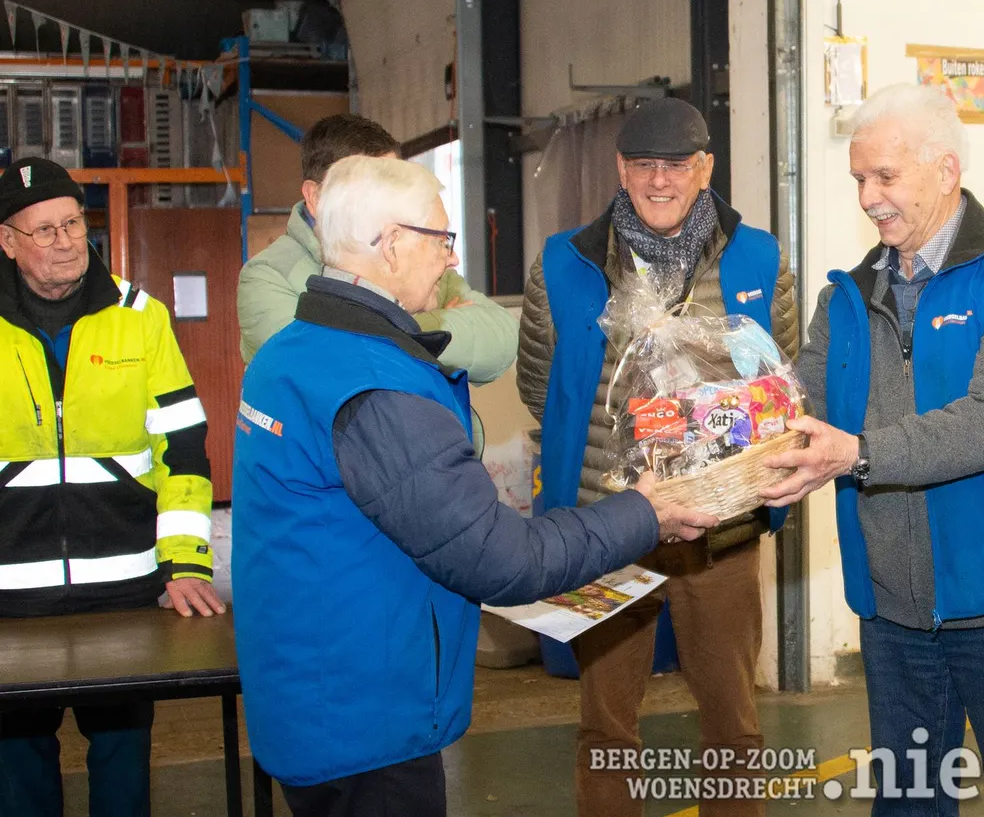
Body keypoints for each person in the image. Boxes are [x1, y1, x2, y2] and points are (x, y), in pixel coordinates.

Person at [232, 155, 718, 817]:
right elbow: (501, 558)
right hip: (366, 723)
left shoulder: (295, 348)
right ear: (391, 243)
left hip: (314, 693)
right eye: (440, 238)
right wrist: (647, 512)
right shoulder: (374, 385)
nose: (448, 258)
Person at [760, 83, 984, 815]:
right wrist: (717, 438)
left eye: (885, 177)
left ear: (945, 170)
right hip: (895, 614)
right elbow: (795, 405)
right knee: (907, 805)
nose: (869, 198)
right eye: (858, 180)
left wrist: (856, 454)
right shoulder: (846, 297)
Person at [517, 98, 798, 817]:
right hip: (608, 529)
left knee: (733, 721)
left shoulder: (760, 259)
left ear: (706, 168)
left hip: (723, 529)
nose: (661, 179)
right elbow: (541, 386)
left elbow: (785, 378)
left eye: (678, 164)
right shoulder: (563, 264)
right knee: (605, 726)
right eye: (644, 164)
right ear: (620, 169)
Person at [0, 157, 222, 816]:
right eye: (44, 230)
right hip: (10, 600)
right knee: (18, 775)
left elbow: (181, 447)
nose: (65, 241)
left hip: (126, 593)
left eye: (72, 222)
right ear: (7, 241)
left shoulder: (140, 316)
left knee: (123, 769)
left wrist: (184, 562)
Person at [236, 112, 517, 381]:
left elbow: (500, 340)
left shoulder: (415, 256)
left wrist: (395, 332)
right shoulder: (267, 277)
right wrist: (433, 323)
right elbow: (330, 368)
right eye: (370, 190)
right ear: (315, 196)